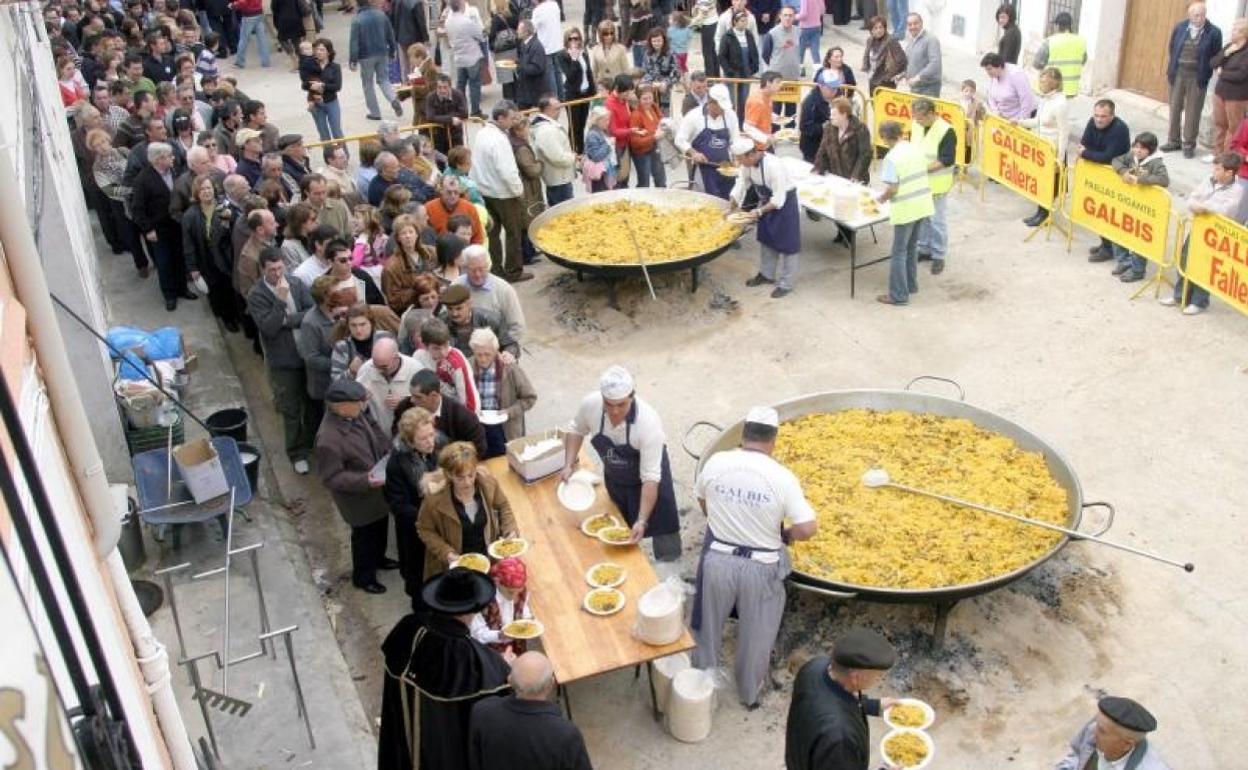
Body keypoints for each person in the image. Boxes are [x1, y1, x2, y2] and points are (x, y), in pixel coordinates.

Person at [690, 406, 817, 708]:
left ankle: (698, 688)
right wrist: (786, 536)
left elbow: (701, 498)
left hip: (718, 559)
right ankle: (749, 693)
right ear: (773, 441)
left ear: (744, 435)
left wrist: (721, 520)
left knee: (707, 625)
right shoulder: (782, 477)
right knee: (757, 634)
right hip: (761, 567)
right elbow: (808, 528)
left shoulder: (717, 462)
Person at [377, 568, 512, 770]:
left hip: (401, 749)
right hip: (442, 754)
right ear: (473, 609)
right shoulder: (465, 656)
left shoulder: (407, 627)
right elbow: (498, 696)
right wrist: (507, 666)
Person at [560, 365, 683, 561]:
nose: (615, 411)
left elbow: (650, 479)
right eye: (609, 404)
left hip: (649, 478)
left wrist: (642, 520)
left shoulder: (648, 423)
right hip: (617, 477)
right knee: (619, 527)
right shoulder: (590, 406)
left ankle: (669, 564)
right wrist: (567, 464)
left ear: (632, 397)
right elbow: (576, 430)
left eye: (621, 405)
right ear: (602, 398)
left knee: (662, 523)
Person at [313, 378, 395, 594]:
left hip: (377, 486)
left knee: (380, 526)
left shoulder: (355, 414)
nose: (362, 404)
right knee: (364, 537)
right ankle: (364, 576)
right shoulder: (328, 439)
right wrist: (364, 480)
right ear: (340, 406)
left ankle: (379, 558)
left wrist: (387, 449)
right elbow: (331, 478)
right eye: (357, 401)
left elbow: (374, 428)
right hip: (358, 499)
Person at [784, 629, 900, 770]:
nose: (879, 679)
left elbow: (830, 697)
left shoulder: (814, 667)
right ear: (856, 677)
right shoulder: (840, 738)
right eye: (878, 676)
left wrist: (873, 705)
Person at [247, 249, 318, 473]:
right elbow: (268, 328)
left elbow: (310, 313)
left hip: (306, 354)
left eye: (280, 268)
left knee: (312, 402)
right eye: (272, 270)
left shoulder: (296, 284)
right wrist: (278, 301)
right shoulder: (257, 294)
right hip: (284, 361)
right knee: (291, 408)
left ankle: (311, 442)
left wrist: (285, 320)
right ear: (262, 269)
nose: (278, 274)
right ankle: (296, 452)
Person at [468, 651, 592, 770]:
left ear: (510, 681)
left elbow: (475, 761)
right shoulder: (565, 734)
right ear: (551, 685)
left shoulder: (482, 711)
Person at [417, 442, 519, 578]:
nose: (467, 482)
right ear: (449, 474)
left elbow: (503, 506)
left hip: (488, 561)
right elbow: (424, 529)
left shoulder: (488, 484)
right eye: (460, 478)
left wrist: (510, 530)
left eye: (471, 475)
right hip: (455, 567)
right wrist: (446, 552)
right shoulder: (435, 499)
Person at [1164, 152, 1243, 315]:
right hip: (1198, 227)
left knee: (1205, 266)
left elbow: (1226, 210)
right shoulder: (1209, 180)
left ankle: (1199, 301)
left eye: (1218, 168)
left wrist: (1205, 207)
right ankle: (1180, 295)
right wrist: (1197, 205)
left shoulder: (1237, 190)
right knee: (1185, 260)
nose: (1214, 170)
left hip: (1215, 235)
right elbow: (1193, 197)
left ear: (1229, 172)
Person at [384, 405, 446, 602]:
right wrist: (428, 518)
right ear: (410, 441)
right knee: (420, 577)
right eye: (423, 439)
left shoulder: (441, 445)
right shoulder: (397, 464)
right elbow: (398, 505)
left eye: (431, 435)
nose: (430, 442)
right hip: (416, 531)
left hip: (444, 521)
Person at [731, 138, 801, 298]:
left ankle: (787, 283)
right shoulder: (747, 166)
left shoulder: (774, 166)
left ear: (751, 155)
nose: (739, 163)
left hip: (785, 204)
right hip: (765, 201)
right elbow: (741, 184)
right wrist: (731, 204)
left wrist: (758, 212)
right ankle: (766, 274)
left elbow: (778, 199)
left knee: (788, 244)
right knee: (766, 238)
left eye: (740, 160)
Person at [472, 101, 532, 283]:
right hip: (504, 193)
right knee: (513, 233)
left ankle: (495, 270)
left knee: (492, 233)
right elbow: (507, 170)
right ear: (500, 118)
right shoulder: (499, 139)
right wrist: (518, 190)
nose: (514, 122)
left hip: (485, 189)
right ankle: (514, 270)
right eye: (511, 118)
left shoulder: (482, 133)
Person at [131, 142, 196, 312]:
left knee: (179, 258)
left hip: (176, 224)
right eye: (169, 156)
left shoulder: (173, 172)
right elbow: (137, 209)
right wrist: (147, 230)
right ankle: (170, 295)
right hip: (158, 230)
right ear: (159, 159)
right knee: (164, 262)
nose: (172, 159)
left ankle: (182, 289)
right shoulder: (143, 180)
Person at [874, 119, 932, 306]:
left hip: (906, 209)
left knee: (898, 252)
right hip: (922, 204)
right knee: (912, 248)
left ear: (885, 138)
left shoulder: (891, 158)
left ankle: (898, 294)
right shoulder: (914, 148)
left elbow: (893, 188)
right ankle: (911, 285)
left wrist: (881, 199)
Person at [1162, 3, 1222, 159]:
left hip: (1197, 75)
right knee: (1175, 108)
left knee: (1193, 112)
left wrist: (1209, 70)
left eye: (1202, 14)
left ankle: (1189, 144)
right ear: (1189, 15)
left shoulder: (1214, 32)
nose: (1200, 18)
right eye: (1196, 15)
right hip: (1178, 73)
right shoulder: (1180, 27)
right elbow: (1172, 47)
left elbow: (1216, 55)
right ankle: (1173, 141)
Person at [181, 173, 240, 330]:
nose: (206, 191)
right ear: (196, 193)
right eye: (202, 189)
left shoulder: (225, 206)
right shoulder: (190, 215)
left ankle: (236, 315)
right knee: (215, 290)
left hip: (226, 256)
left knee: (231, 287)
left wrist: (231, 218)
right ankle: (226, 318)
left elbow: (235, 228)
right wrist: (192, 268)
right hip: (206, 257)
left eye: (208, 188)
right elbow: (188, 244)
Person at [1108, 133, 1169, 283]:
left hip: (1145, 208)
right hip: (1129, 203)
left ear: (1151, 150)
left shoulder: (1156, 163)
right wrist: (1124, 171)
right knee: (1120, 232)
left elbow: (1164, 180)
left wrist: (1140, 180)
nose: (1138, 151)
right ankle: (1124, 261)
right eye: (1136, 147)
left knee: (1139, 240)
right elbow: (1116, 160)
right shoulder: (1131, 156)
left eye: (1142, 148)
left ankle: (1137, 269)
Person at [1054, 696, 1172, 770]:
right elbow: (1076, 753)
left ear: (1126, 744)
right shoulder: (1096, 727)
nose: (1093, 731)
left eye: (1102, 731)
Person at [469, 327, 535, 456]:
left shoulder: (509, 368)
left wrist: (509, 412)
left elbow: (530, 398)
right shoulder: (467, 366)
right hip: (478, 425)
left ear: (495, 351)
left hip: (504, 427)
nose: (482, 359)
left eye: (487, 354)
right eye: (479, 355)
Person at [1080, 100, 1131, 263]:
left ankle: (1110, 249)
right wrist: (1090, 153)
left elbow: (1108, 157)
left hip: (1114, 177)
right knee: (1099, 211)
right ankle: (1104, 244)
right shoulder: (1091, 122)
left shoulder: (1119, 129)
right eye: (1096, 115)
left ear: (1112, 116)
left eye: (1103, 116)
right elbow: (1084, 144)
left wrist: (1087, 154)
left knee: (1111, 214)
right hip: (1098, 175)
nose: (1099, 120)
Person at [1019, 68, 1069, 227]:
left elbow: (1063, 133)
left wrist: (1059, 159)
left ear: (1054, 82)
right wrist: (1018, 122)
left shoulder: (1061, 103)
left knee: (1049, 184)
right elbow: (1037, 121)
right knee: (1040, 182)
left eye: (1044, 80)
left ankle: (1045, 214)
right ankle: (1039, 212)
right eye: (1041, 79)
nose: (1041, 83)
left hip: (1053, 151)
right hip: (1041, 149)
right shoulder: (1045, 100)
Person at [910, 98, 955, 274]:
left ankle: (938, 255)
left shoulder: (946, 131)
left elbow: (946, 159)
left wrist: (922, 170)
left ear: (931, 114)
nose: (916, 121)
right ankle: (924, 250)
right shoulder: (916, 125)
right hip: (919, 183)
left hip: (937, 185)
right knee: (922, 219)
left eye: (920, 118)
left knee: (937, 222)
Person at [675, 83, 739, 199]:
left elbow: (735, 140)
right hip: (704, 169)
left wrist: (737, 159)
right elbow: (680, 139)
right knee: (705, 202)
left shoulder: (730, 115)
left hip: (726, 169)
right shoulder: (694, 116)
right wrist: (694, 153)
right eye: (720, 106)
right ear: (711, 102)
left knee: (727, 201)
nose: (724, 110)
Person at [356, 335, 424, 436]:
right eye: (375, 365)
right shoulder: (366, 370)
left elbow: (428, 404)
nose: (378, 371)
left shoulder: (416, 370)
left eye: (384, 367)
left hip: (412, 434)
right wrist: (361, 399)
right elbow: (358, 408)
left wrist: (404, 403)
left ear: (396, 358)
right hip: (380, 435)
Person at [349, 0, 403, 121]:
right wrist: (393, 49)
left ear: (358, 4)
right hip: (382, 51)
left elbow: (354, 42)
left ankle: (375, 112)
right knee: (384, 79)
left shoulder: (357, 19)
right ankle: (393, 98)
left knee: (368, 84)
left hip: (366, 55)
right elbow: (390, 34)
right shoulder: (381, 15)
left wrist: (353, 59)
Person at [469, 557, 534, 651]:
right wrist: (499, 635)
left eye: (518, 592)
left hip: (518, 647)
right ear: (497, 582)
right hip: (493, 653)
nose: (515, 596)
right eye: (510, 592)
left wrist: (527, 618)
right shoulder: (483, 601)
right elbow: (477, 634)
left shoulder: (521, 591)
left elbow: (524, 607)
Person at [331, 302, 397, 380]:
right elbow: (335, 380)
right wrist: (351, 372)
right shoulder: (342, 347)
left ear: (371, 323)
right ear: (348, 325)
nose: (358, 330)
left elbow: (401, 365)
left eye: (362, 324)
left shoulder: (385, 338)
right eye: (353, 325)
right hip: (357, 390)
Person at [1210, 19, 1248, 156]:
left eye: (1235, 30)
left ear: (1243, 33)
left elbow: (1242, 75)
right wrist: (1226, 54)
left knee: (1234, 128)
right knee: (1220, 125)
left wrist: (1222, 73)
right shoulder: (1229, 47)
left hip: (1236, 96)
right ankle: (1216, 153)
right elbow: (1213, 62)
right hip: (1220, 92)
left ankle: (1229, 157)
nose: (1231, 32)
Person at [813, 96, 871, 184]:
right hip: (836, 178)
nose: (830, 117)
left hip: (855, 180)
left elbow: (865, 155)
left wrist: (856, 176)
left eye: (834, 115)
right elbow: (822, 151)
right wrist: (818, 168)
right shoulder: (829, 128)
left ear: (844, 114)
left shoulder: (860, 129)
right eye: (830, 114)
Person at [532, 94, 578, 205]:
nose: (560, 111)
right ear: (547, 109)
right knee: (564, 211)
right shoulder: (547, 131)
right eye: (557, 109)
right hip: (558, 180)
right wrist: (573, 157)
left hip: (560, 177)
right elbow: (557, 157)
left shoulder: (547, 127)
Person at [446, 0, 487, 117]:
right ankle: (475, 111)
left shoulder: (448, 22)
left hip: (459, 57)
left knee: (460, 86)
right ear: (460, 6)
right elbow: (480, 35)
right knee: (474, 85)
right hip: (472, 56)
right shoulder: (466, 22)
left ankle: (461, 111)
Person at [1033, 11, 1085, 98]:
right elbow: (1083, 61)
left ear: (1057, 26)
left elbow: (1037, 64)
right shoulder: (1081, 42)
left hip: (1053, 89)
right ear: (1070, 25)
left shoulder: (1050, 41)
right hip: (1072, 90)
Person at [718, 11, 760, 118]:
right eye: (742, 21)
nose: (745, 23)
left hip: (746, 74)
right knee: (731, 101)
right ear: (735, 22)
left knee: (744, 101)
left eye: (746, 21)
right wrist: (728, 71)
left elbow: (754, 52)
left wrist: (754, 67)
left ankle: (741, 123)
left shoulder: (749, 35)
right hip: (732, 75)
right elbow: (722, 56)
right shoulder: (727, 36)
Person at [302, 38, 344, 141]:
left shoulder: (335, 67)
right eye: (317, 49)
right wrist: (310, 86)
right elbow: (304, 84)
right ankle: (329, 155)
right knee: (323, 134)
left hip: (331, 102)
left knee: (337, 132)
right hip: (316, 103)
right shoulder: (310, 65)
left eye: (322, 50)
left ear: (328, 52)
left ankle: (344, 155)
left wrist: (322, 85)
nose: (319, 52)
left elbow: (337, 86)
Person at [629, 85, 666, 188]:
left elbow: (661, 119)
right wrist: (654, 137)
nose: (648, 101)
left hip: (655, 148)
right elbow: (634, 142)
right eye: (645, 99)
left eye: (650, 98)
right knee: (644, 182)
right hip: (642, 153)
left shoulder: (654, 107)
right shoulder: (636, 115)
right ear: (639, 99)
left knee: (661, 178)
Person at [981, 52, 1035, 122]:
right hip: (1001, 118)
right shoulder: (994, 75)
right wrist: (996, 111)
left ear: (999, 66)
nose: (987, 72)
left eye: (989, 69)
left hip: (1016, 120)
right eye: (986, 69)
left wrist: (1021, 120)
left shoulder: (1016, 74)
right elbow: (991, 96)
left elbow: (1027, 99)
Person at [424, 74, 469, 154]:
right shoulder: (431, 97)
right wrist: (451, 119)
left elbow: (464, 113)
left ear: (450, 87)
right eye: (439, 87)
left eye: (445, 87)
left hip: (455, 134)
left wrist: (440, 118)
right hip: (438, 135)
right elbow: (430, 117)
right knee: (441, 162)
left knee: (457, 158)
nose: (442, 90)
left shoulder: (458, 94)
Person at [861, 15, 905, 94]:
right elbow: (866, 55)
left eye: (881, 27)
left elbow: (901, 61)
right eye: (875, 28)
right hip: (873, 77)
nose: (879, 30)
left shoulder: (891, 41)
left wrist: (888, 76)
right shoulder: (870, 40)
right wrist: (866, 67)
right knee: (873, 102)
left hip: (886, 81)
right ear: (871, 30)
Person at [898, 12, 940, 96]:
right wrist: (902, 74)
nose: (912, 26)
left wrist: (918, 77)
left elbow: (935, 63)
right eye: (910, 24)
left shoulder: (931, 39)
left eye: (915, 23)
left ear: (921, 23)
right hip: (915, 87)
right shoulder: (911, 40)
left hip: (929, 88)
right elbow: (910, 63)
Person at [641, 28, 681, 108]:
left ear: (663, 41)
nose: (656, 43)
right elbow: (645, 71)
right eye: (654, 41)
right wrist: (649, 83)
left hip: (665, 88)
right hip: (651, 87)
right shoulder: (647, 54)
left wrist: (665, 82)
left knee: (664, 111)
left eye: (659, 41)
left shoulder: (671, 54)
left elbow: (676, 74)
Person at [515, 20, 549, 110]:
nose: (517, 31)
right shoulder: (523, 44)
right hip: (525, 89)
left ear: (526, 32)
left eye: (519, 29)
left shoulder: (536, 46)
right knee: (521, 116)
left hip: (535, 89)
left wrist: (521, 67)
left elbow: (537, 68)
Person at [391, 0, 429, 83]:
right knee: (415, 64)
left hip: (401, 38)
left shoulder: (397, 2)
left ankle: (405, 83)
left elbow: (394, 20)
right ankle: (414, 83)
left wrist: (396, 36)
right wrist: (426, 38)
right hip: (415, 38)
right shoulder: (417, 2)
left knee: (404, 65)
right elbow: (421, 22)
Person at [532, 0, 564, 98]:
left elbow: (533, 28)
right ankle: (561, 95)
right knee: (558, 72)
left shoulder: (538, 10)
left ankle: (555, 97)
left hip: (546, 47)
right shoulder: (554, 5)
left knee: (550, 75)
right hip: (557, 44)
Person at [233, 0, 272, 69]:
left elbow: (243, 2)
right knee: (262, 39)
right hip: (259, 13)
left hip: (248, 15)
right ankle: (266, 62)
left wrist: (234, 5)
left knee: (243, 39)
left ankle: (239, 62)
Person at [796, 0, 823, 69]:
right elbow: (822, 10)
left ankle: (800, 67)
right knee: (815, 49)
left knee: (801, 49)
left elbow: (803, 14)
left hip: (805, 27)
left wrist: (794, 16)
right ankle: (817, 69)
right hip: (817, 25)